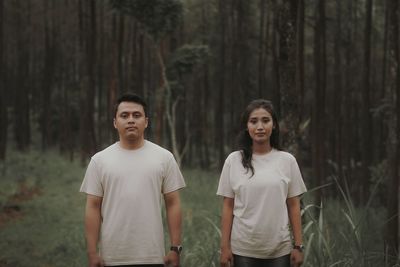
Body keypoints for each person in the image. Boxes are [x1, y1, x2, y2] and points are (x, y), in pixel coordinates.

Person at [80, 93, 186, 267]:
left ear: (146, 121)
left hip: (152, 256)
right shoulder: (99, 161)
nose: (131, 120)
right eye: (124, 115)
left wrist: (175, 249)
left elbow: (173, 203)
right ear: (115, 122)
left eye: (136, 115)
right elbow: (93, 207)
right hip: (112, 257)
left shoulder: (164, 158)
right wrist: (92, 252)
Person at [217, 99, 307, 267]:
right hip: (243, 249)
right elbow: (228, 206)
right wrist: (224, 248)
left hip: (279, 250)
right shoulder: (234, 160)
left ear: (274, 125)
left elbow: (294, 205)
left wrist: (298, 246)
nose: (260, 127)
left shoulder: (287, 161)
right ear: (246, 126)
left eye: (265, 120)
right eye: (253, 121)